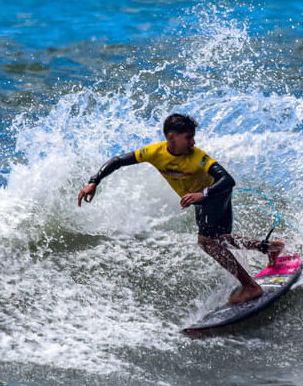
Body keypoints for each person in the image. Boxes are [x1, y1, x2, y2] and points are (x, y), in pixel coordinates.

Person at [77, 113, 283, 304]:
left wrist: (202, 194)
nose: (193, 142)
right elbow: (118, 161)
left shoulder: (198, 156)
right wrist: (94, 181)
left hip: (214, 195)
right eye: (189, 137)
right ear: (171, 137)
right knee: (219, 239)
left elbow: (227, 180)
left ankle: (250, 287)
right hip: (201, 200)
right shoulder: (154, 152)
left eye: (193, 137)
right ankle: (269, 247)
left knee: (207, 241)